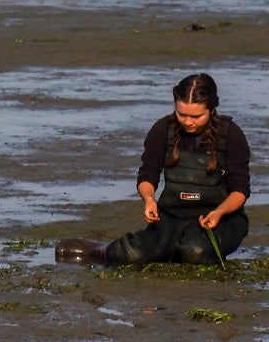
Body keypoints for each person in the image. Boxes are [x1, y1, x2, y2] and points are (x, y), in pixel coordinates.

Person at [101, 72, 250, 265]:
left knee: (194, 252)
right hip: (171, 217)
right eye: (182, 114)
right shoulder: (163, 129)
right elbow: (147, 174)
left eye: (196, 116)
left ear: (212, 109)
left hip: (220, 219)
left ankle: (182, 247)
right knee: (128, 255)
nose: (188, 122)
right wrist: (149, 200)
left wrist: (219, 212)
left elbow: (240, 190)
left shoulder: (231, 135)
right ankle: (102, 251)